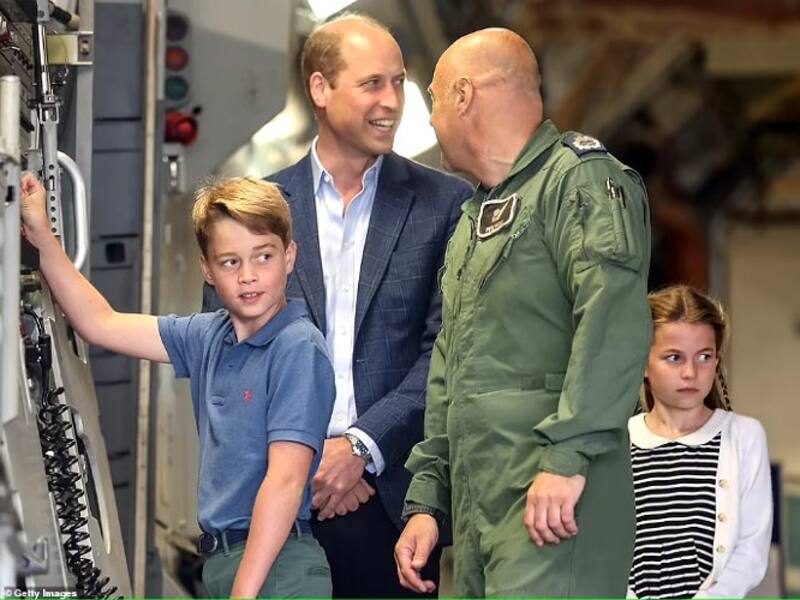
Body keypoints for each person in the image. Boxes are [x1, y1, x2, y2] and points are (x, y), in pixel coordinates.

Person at [202, 14, 473, 598]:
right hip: (275, 509)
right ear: (320, 90)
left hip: (393, 505)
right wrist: (305, 459)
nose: (392, 101)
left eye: (399, 83)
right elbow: (227, 367)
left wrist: (358, 448)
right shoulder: (257, 210)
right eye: (373, 83)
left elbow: (449, 353)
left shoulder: (447, 205)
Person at [395, 28, 653, 597]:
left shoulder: (579, 180)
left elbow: (612, 320)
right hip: (480, 507)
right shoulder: (474, 218)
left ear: (463, 95)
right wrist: (429, 501)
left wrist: (568, 457)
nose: (434, 121)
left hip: (556, 496)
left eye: (434, 100)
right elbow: (451, 365)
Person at [21, 173, 336, 598]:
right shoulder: (208, 336)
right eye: (230, 262)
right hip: (226, 563)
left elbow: (285, 480)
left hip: (279, 566)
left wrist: (243, 593)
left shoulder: (298, 347)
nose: (248, 276)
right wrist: (40, 234)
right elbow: (102, 323)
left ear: (290, 256)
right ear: (207, 269)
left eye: (264, 256)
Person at [627, 285, 772, 598]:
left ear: (717, 362)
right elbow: (603, 544)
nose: (691, 372)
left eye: (704, 357)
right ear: (642, 363)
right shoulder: (618, 442)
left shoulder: (744, 437)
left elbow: (751, 549)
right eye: (674, 358)